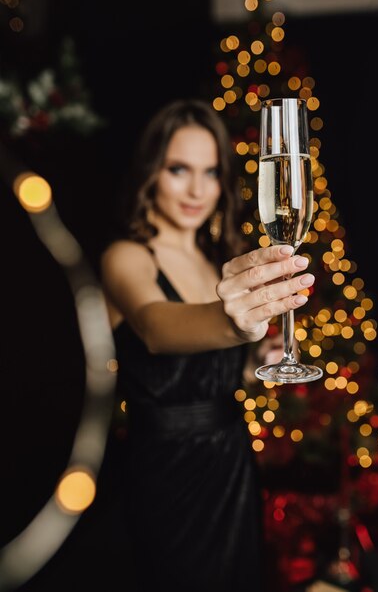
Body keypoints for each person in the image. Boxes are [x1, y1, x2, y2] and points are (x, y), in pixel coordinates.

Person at [100, 98, 314, 592]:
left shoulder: (218, 258)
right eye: (179, 169)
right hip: (166, 477)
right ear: (151, 172)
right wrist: (232, 324)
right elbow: (156, 327)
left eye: (211, 172)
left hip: (231, 465)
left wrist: (253, 360)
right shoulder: (126, 256)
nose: (197, 189)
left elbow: (217, 371)